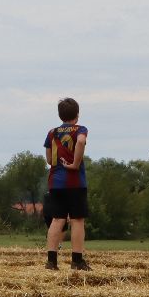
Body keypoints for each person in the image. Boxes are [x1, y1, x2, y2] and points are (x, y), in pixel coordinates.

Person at [44, 97, 91, 271]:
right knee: (77, 220)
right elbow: (80, 141)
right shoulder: (81, 129)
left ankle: (51, 261)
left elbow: (49, 159)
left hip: (55, 183)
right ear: (77, 115)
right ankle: (77, 261)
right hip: (75, 182)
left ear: (60, 115)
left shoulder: (52, 132)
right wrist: (75, 164)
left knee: (57, 220)